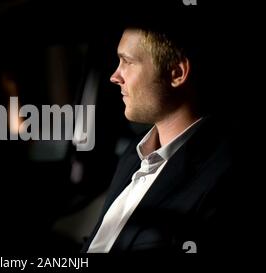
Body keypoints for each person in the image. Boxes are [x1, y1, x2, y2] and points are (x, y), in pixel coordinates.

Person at [82, 21, 243, 255]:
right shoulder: (133, 155)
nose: (114, 76)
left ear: (176, 73)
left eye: (127, 62)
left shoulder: (224, 176)